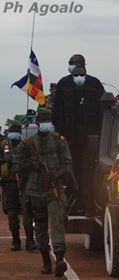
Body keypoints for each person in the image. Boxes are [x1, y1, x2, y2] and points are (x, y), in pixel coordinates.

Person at [13, 108, 72, 276]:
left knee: (56, 222)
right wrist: (32, 165)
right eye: (43, 121)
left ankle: (59, 258)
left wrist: (53, 175)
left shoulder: (59, 141)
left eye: (48, 121)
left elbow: (67, 164)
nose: (46, 124)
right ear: (38, 123)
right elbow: (16, 166)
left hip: (54, 190)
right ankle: (46, 261)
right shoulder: (27, 144)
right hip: (34, 192)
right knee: (40, 227)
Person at [53, 66, 103, 215]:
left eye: (82, 75)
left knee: (88, 175)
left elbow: (101, 116)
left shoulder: (94, 93)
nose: (79, 77)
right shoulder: (65, 93)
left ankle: (89, 206)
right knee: (71, 174)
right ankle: (72, 205)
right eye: (76, 75)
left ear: (86, 76)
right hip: (70, 141)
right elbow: (58, 115)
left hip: (89, 141)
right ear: (72, 76)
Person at [0, 120, 37, 251]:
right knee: (13, 211)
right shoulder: (5, 145)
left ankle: (28, 240)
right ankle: (17, 240)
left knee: (27, 211)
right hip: (11, 182)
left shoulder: (24, 145)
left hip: (22, 182)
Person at [53, 54, 104, 131]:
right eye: (70, 63)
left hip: (90, 129)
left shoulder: (94, 83)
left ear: (82, 64)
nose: (71, 65)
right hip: (67, 129)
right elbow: (56, 107)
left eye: (73, 63)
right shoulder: (63, 83)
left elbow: (103, 106)